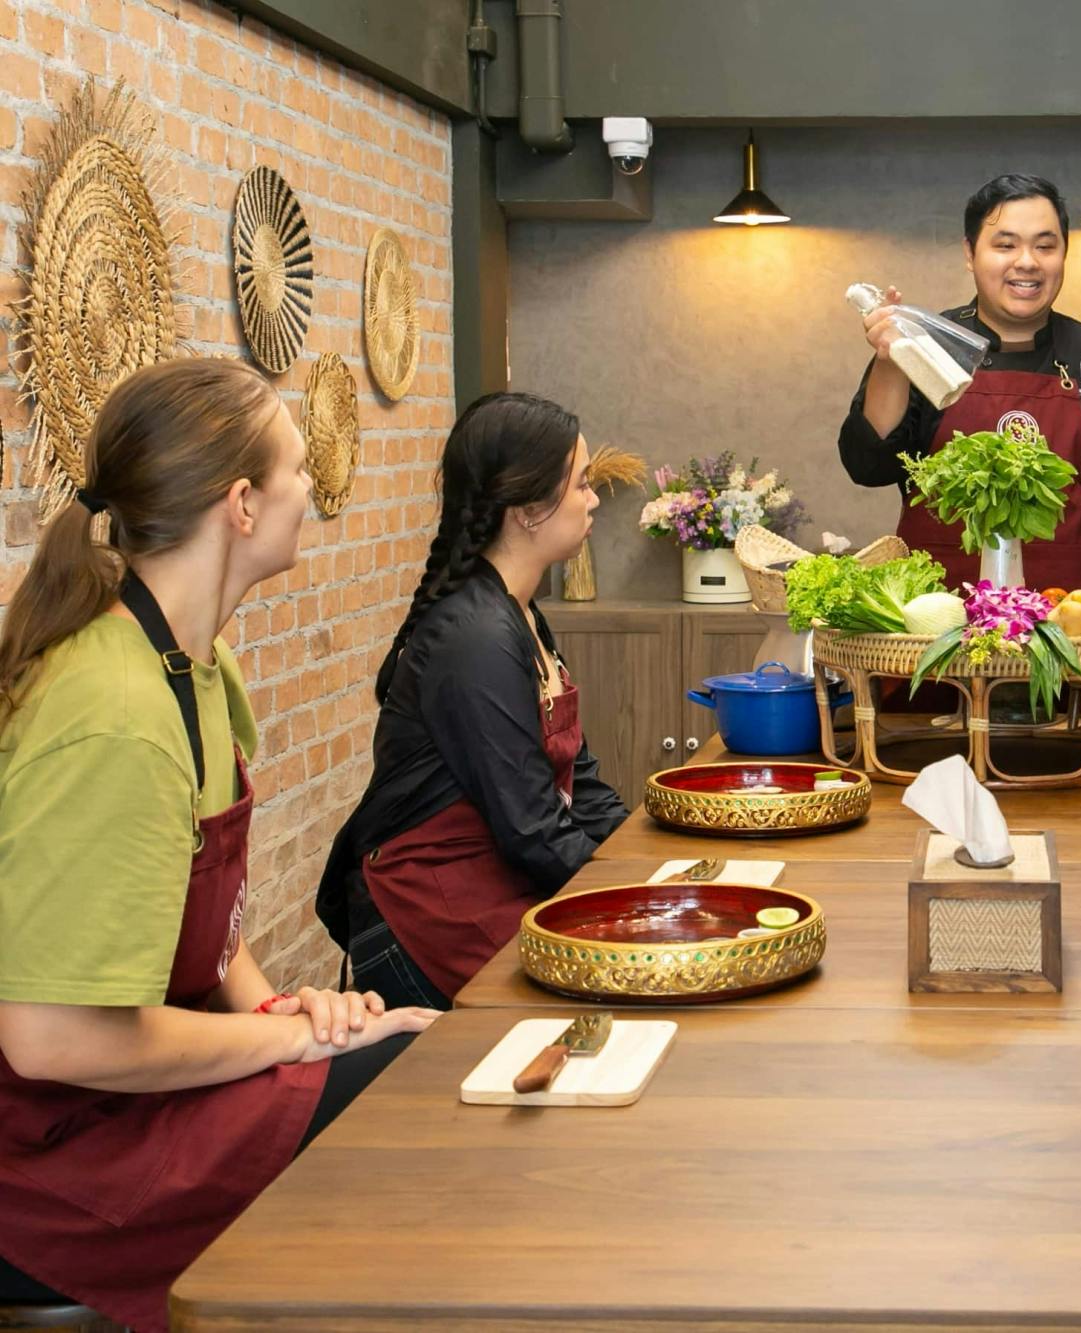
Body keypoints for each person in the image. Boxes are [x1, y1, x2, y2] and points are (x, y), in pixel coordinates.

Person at [0, 359, 437, 1331]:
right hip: (55, 1152)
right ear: (241, 504)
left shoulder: (198, 665)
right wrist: (288, 1041)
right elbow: (50, 1038)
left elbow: (208, 923)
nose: (311, 499)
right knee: (415, 1103)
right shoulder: (110, 707)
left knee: (409, 1049)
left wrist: (297, 1013)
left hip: (131, 1094)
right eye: (294, 473)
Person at [315, 393, 628, 1009]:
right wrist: (633, 902)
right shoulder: (476, 639)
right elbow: (532, 831)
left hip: (498, 879)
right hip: (431, 911)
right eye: (582, 485)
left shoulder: (520, 613)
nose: (593, 500)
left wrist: (648, 863)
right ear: (529, 509)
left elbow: (580, 786)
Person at [838, 173, 1081, 595]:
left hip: (1078, 628)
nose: (1027, 262)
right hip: (943, 628)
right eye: (1005, 245)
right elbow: (867, 466)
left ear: (1064, 254)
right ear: (970, 253)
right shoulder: (925, 346)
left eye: (1045, 245)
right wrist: (891, 361)